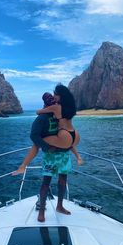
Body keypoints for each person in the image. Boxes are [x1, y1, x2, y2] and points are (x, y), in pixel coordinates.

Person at [12, 84, 82, 222]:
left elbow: (35, 133)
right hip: (73, 137)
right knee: (60, 180)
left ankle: (23, 166)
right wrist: (77, 156)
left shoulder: (51, 112)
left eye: (54, 95)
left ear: (59, 96)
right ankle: (49, 208)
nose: (53, 98)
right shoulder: (67, 107)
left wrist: (45, 146)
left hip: (60, 149)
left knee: (37, 143)